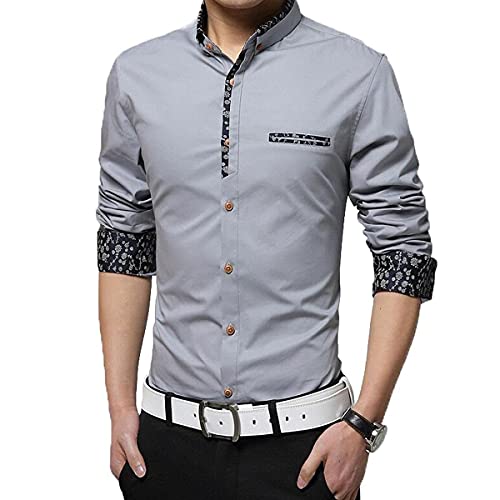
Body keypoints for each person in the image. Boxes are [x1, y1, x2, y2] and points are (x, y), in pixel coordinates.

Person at [95, 0, 438, 498]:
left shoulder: (358, 74)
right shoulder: (136, 75)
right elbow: (124, 241)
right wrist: (121, 409)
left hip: (307, 452)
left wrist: (363, 423)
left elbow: (403, 251)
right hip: (165, 448)